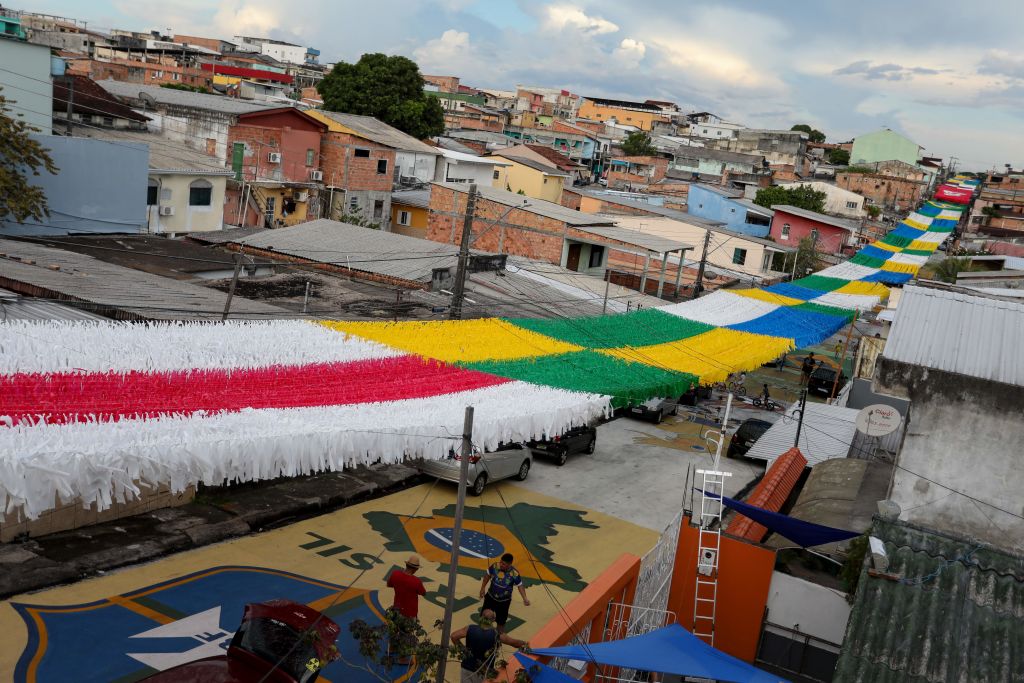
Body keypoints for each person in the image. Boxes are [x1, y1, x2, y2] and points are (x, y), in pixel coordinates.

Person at [451, 609, 527, 683]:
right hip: (483, 671)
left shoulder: (469, 628)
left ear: (480, 617)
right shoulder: (497, 634)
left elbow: (454, 636)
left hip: (466, 667)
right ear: (493, 620)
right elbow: (514, 643)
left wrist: (464, 650)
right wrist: (526, 643)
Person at [479, 553, 529, 633]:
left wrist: (525, 598)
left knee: (501, 623)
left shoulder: (514, 573)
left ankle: (498, 641)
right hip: (490, 597)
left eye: (504, 564)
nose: (501, 565)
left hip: (504, 602)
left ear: (509, 564)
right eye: (501, 562)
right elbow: (487, 575)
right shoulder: (495, 566)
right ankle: (481, 635)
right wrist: (482, 588)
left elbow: (520, 585)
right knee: (484, 618)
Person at [386, 554, 426, 620]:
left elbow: (388, 584)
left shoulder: (395, 574)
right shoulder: (417, 581)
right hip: (410, 614)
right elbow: (423, 593)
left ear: (406, 565)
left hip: (397, 610)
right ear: (415, 569)